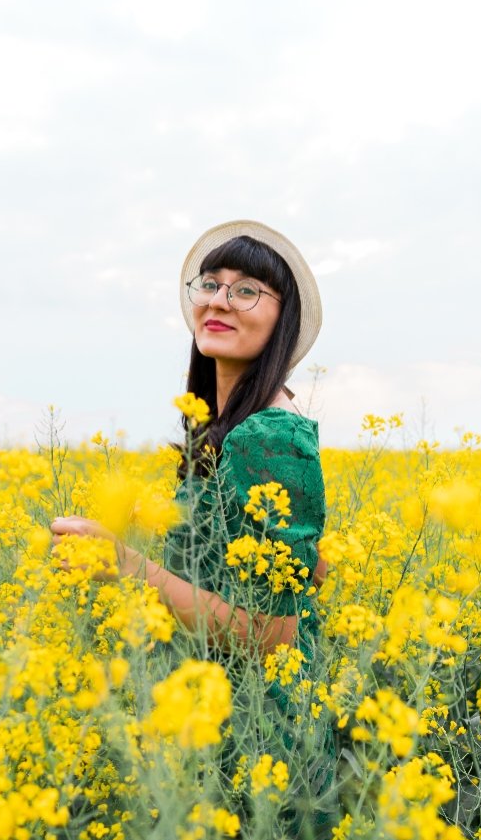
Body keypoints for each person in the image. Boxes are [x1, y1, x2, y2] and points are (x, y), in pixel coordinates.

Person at [49, 218, 328, 663]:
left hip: (252, 724)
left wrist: (127, 565)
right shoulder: (236, 427)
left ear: (283, 319)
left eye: (246, 290)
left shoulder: (271, 435)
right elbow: (282, 574)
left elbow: (274, 637)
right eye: (211, 285)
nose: (219, 301)